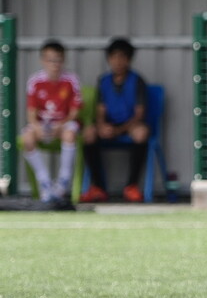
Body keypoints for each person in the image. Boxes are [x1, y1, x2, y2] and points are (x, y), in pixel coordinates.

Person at [79, 37, 149, 203]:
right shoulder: (103, 81)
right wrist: (102, 126)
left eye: (122, 57)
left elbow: (139, 114)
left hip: (128, 125)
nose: (118, 61)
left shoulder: (137, 81)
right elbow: (100, 110)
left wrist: (118, 130)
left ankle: (131, 186)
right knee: (89, 133)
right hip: (109, 125)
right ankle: (98, 187)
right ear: (109, 59)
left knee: (141, 133)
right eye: (114, 57)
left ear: (129, 59)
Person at [21, 39, 82, 204]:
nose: (54, 64)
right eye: (50, 60)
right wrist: (37, 127)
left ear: (63, 60)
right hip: (42, 124)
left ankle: (63, 182)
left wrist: (60, 125)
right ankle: (45, 181)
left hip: (63, 124)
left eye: (58, 60)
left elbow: (75, 112)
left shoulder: (71, 80)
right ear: (43, 60)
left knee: (70, 134)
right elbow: (31, 113)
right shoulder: (35, 81)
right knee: (27, 138)